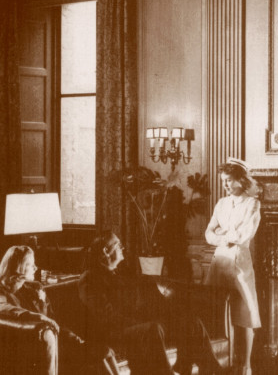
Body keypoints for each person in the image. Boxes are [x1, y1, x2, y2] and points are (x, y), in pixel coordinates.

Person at [78, 231, 195, 375]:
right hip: (113, 332)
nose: (123, 248)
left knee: (188, 322)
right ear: (106, 251)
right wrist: (138, 322)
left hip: (133, 324)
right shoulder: (90, 278)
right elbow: (106, 316)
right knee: (152, 329)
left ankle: (209, 368)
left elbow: (136, 302)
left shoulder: (121, 272)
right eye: (118, 245)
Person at [0, 245, 117, 375]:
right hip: (37, 351)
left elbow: (54, 320)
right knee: (99, 356)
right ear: (18, 268)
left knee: (106, 352)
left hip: (59, 341)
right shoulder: (3, 291)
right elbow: (5, 308)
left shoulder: (33, 289)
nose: (35, 268)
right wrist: (40, 317)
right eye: (30, 264)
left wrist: (74, 338)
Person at [205, 157, 261, 375]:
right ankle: (218, 362)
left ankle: (246, 365)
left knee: (245, 314)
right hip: (219, 260)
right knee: (214, 309)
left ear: (241, 180)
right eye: (223, 181)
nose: (225, 185)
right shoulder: (221, 204)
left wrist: (224, 234)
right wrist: (224, 237)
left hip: (239, 262)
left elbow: (246, 233)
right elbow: (208, 234)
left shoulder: (252, 203)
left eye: (229, 180)